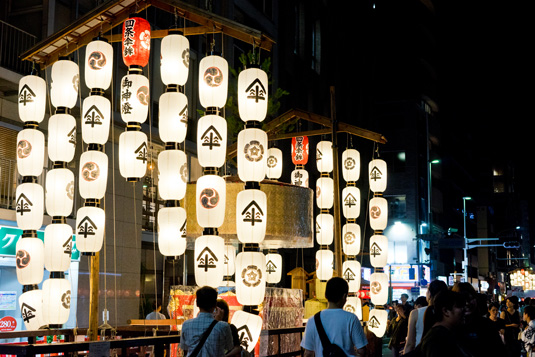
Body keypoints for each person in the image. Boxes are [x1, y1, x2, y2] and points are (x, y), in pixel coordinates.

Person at [301, 277, 367, 356]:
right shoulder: (351, 318)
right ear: (344, 296)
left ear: (326, 295)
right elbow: (362, 350)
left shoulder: (313, 320)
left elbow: (308, 353)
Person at [452, 282, 506, 357]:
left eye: (470, 299)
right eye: (463, 300)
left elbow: (499, 351)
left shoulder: (487, 325)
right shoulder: (450, 328)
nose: (467, 303)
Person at [180, 286, 234, 357]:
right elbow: (229, 347)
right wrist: (218, 322)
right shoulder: (224, 326)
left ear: (197, 303)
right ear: (215, 304)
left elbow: (184, 347)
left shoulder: (186, 325)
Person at [419, 290, 472, 357]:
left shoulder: (447, 333)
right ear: (446, 311)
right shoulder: (437, 339)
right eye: (459, 306)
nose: (465, 309)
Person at [403, 279, 447, 354]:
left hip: (421, 352)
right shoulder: (448, 312)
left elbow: (410, 343)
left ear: (429, 294)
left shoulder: (416, 313)